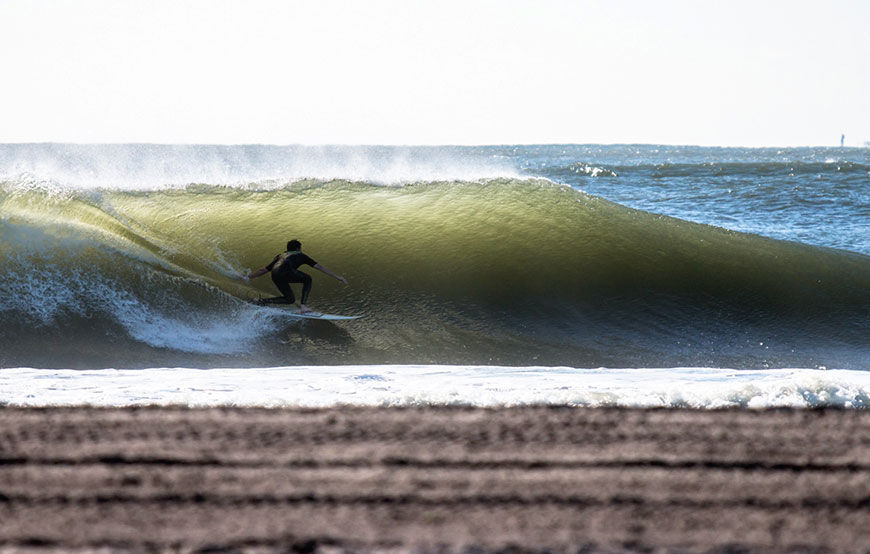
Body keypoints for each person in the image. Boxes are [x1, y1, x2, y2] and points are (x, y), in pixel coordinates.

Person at [245, 239, 348, 313]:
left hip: (275, 275)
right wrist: (338, 277)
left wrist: (248, 276)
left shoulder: (280, 255)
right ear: (298, 248)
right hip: (286, 273)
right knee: (308, 279)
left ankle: (260, 301)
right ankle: (303, 306)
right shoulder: (300, 255)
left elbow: (264, 270)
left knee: (290, 299)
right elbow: (319, 267)